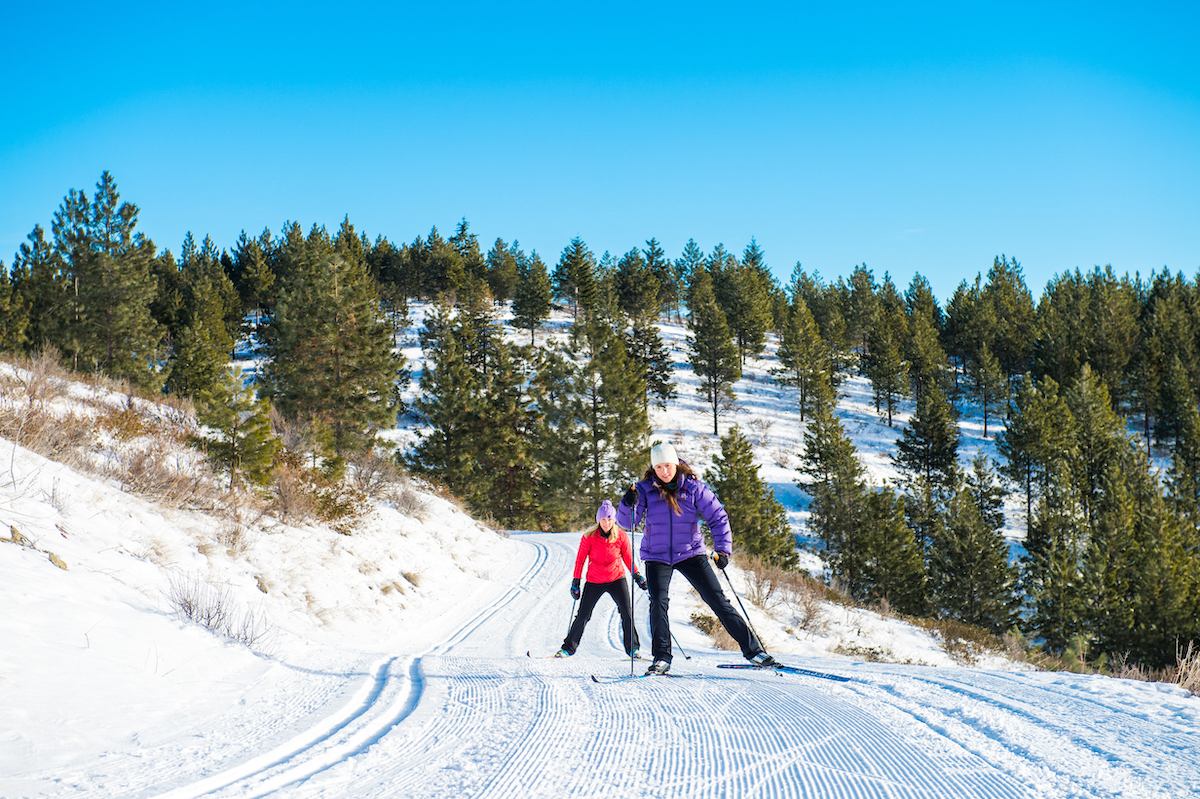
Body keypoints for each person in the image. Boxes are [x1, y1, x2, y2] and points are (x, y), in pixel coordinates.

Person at [617, 442, 777, 675]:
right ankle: (662, 658)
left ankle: (754, 652)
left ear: (675, 463)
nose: (664, 471)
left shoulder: (693, 487)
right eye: (659, 467)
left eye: (668, 466)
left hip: (690, 552)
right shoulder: (644, 489)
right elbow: (627, 523)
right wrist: (626, 503)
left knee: (717, 600)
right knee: (658, 603)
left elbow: (718, 517)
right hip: (657, 555)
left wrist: (723, 550)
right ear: (653, 467)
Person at [557, 500, 647, 658]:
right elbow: (580, 559)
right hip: (594, 580)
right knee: (583, 615)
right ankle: (567, 649)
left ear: (614, 520)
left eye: (610, 519)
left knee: (627, 613)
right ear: (598, 520)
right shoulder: (589, 536)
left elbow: (628, 558)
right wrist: (576, 581)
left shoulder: (621, 536)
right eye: (604, 519)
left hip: (616, 579)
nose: (607, 523)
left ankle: (633, 649)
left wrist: (637, 575)